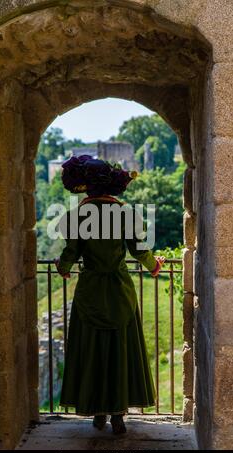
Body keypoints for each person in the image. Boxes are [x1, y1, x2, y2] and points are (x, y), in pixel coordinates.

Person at [55, 155, 165, 435]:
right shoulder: (126, 214)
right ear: (111, 186)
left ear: (86, 187)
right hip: (120, 292)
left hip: (89, 292)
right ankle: (118, 416)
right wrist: (155, 267)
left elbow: (71, 253)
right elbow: (140, 251)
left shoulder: (76, 215)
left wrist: (63, 268)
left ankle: (98, 413)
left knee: (92, 352)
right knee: (119, 352)